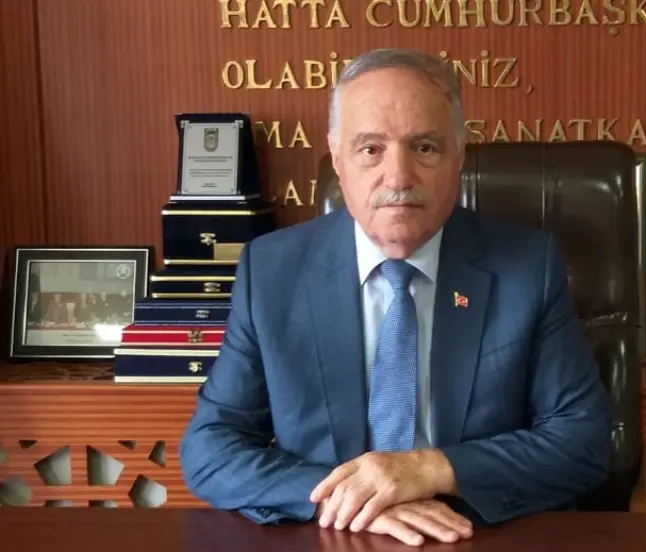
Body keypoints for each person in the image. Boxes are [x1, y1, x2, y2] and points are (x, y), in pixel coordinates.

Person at [179, 48, 613, 547]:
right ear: (337, 158)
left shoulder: (526, 268)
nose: (399, 177)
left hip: (476, 531)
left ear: (458, 155)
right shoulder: (273, 271)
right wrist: (349, 499)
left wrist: (432, 468)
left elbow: (583, 442)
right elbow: (211, 448)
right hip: (331, 533)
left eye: (424, 147)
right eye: (370, 149)